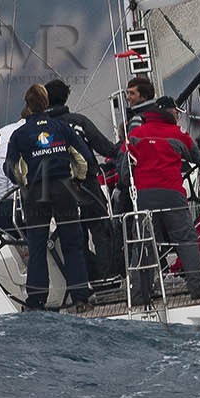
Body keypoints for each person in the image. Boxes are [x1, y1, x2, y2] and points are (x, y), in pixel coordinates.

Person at [5, 83, 95, 311]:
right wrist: (78, 181)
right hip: (64, 189)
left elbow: (11, 168)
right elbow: (83, 159)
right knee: (72, 244)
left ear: (28, 105)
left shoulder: (19, 134)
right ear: (46, 104)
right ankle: (81, 298)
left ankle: (36, 301)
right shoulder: (62, 127)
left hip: (36, 193)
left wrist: (24, 184)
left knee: (36, 246)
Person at [122, 95, 200, 303]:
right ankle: (198, 290)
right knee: (186, 241)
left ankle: (138, 297)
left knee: (144, 245)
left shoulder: (135, 134)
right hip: (172, 195)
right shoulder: (177, 134)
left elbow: (124, 169)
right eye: (177, 113)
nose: (178, 116)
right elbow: (197, 157)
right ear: (170, 112)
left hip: (144, 197)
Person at [44, 78, 120, 281]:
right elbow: (106, 148)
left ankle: (86, 279)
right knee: (100, 229)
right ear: (66, 97)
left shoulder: (41, 129)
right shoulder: (79, 121)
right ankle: (108, 277)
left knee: (73, 236)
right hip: (87, 185)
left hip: (58, 190)